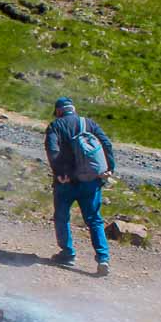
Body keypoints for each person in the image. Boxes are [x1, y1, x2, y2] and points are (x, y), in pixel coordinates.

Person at [44, 96, 116, 276]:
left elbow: (52, 150)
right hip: (91, 181)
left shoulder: (56, 126)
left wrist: (60, 174)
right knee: (94, 219)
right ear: (73, 109)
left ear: (59, 111)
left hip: (66, 181)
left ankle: (67, 254)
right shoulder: (89, 124)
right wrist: (109, 168)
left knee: (62, 217)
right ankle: (103, 258)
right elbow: (106, 144)